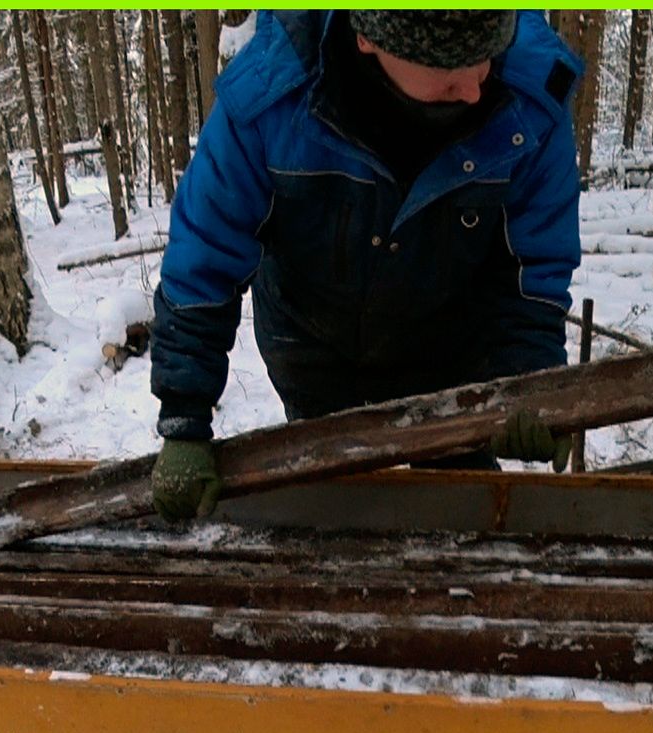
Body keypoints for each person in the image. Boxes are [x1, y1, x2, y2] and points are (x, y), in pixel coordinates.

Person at [147, 10, 585, 521]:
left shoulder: (531, 101)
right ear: (368, 40)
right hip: (312, 348)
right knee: (333, 514)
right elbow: (205, 255)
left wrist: (526, 378)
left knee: (459, 517)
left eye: (488, 54)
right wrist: (184, 415)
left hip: (453, 360)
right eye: (448, 69)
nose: (473, 87)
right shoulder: (271, 96)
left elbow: (533, 267)